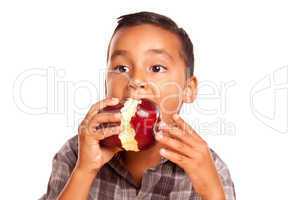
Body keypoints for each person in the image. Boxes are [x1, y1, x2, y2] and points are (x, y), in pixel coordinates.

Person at [40, 11, 235, 200]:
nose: (136, 80)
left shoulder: (210, 171)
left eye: (156, 68)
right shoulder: (76, 155)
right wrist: (84, 170)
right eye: (121, 68)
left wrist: (212, 193)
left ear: (188, 89)